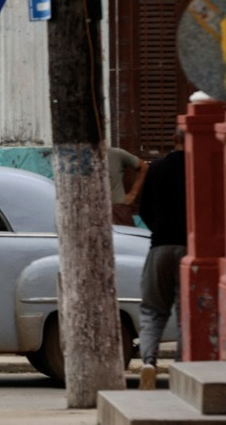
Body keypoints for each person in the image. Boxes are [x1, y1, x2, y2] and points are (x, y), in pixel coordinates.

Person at [136, 129, 187, 390]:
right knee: (186, 314)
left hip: (160, 247)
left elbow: (143, 208)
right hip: (190, 251)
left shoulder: (156, 168)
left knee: (152, 311)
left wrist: (158, 228)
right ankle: (181, 366)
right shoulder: (201, 167)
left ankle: (148, 362)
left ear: (174, 140)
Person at [108, 146, 148, 226]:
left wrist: (133, 193)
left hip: (117, 210)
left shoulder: (115, 154)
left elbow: (143, 167)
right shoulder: (80, 157)